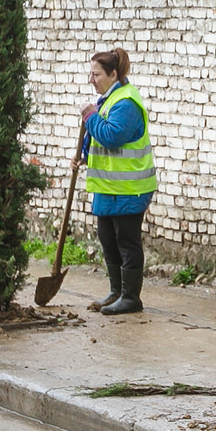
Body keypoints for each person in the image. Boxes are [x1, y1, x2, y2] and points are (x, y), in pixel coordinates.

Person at [74, 48, 154, 316]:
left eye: (96, 74)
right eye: (91, 74)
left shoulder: (126, 103)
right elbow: (100, 141)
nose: (91, 80)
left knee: (127, 243)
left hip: (130, 188)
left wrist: (90, 116)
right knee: (108, 240)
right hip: (108, 187)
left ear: (113, 74)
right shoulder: (108, 100)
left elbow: (112, 136)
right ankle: (116, 292)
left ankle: (131, 298)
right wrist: (85, 156)